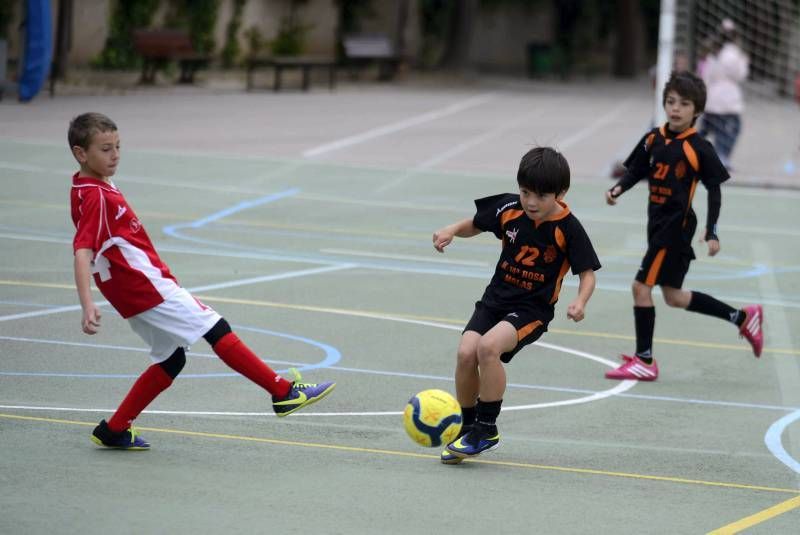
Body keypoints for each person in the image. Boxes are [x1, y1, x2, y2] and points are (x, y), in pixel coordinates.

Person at [69, 112, 335, 450]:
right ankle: (282, 392)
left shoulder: (85, 185)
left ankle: (115, 427)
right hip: (144, 287)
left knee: (171, 359)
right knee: (215, 327)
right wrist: (87, 303)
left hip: (131, 290)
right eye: (106, 149)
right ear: (81, 154)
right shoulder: (97, 197)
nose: (115, 155)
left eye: (118, 146)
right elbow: (82, 250)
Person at [432, 147, 601, 463]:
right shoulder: (510, 207)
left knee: (488, 348)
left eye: (541, 196)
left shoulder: (568, 227)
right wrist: (452, 230)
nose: (532, 202)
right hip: (495, 299)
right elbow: (477, 223)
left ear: (561, 193)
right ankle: (467, 426)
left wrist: (580, 301)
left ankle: (486, 429)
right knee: (466, 351)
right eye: (525, 192)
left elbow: (587, 274)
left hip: (531, 309)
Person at [604, 71, 763, 382]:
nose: (675, 108)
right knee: (674, 296)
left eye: (684, 103)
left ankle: (644, 361)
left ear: (697, 111)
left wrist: (712, 229)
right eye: (670, 101)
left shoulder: (698, 147)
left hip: (675, 229)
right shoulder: (653, 138)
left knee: (640, 288)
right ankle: (743, 318)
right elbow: (636, 170)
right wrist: (618, 190)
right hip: (657, 225)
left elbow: (714, 188)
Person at [699, 19, 749, 170]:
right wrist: (744, 61)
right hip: (727, 98)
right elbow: (740, 75)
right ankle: (721, 155)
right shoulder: (734, 54)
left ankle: (692, 151)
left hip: (712, 96)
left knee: (708, 128)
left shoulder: (712, 51)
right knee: (732, 128)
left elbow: (705, 74)